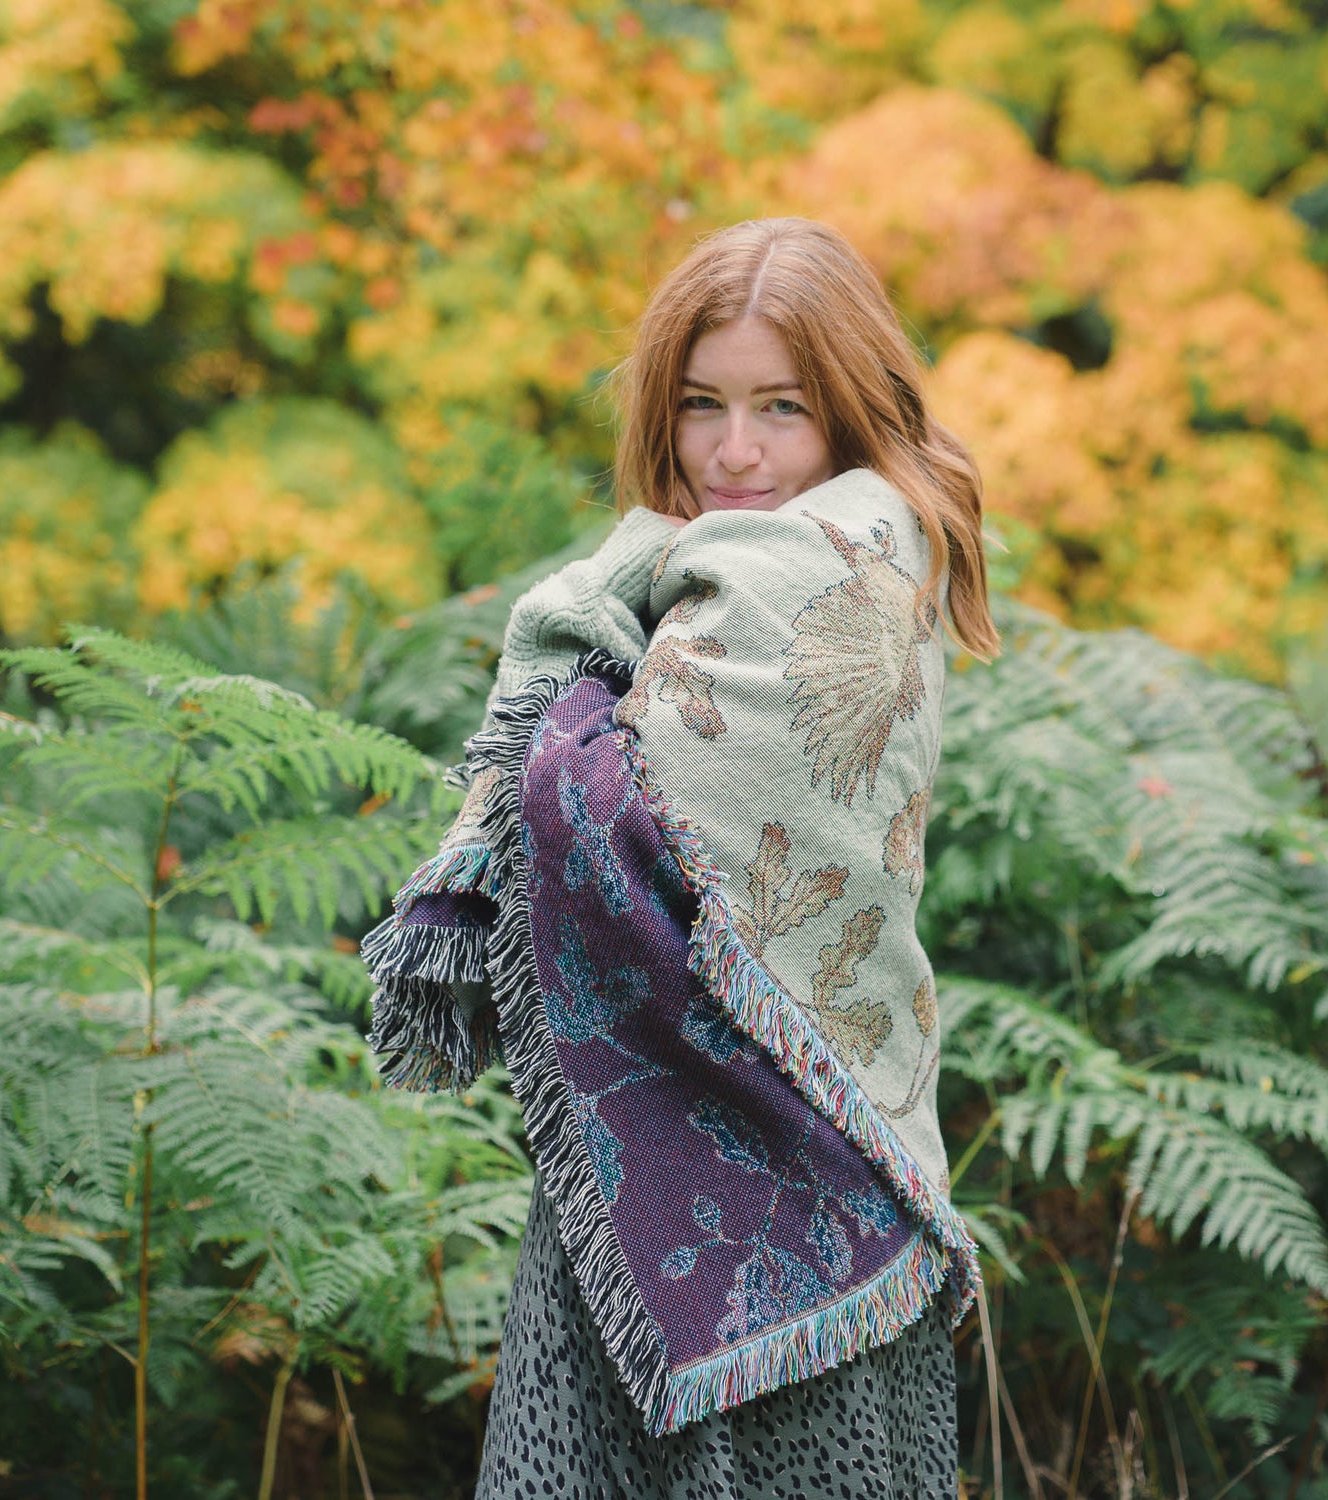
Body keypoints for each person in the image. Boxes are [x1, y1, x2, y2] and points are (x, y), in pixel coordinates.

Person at [364, 217, 999, 1499]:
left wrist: (567, 715)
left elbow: (588, 808)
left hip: (812, 1158)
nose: (739, 450)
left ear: (852, 412)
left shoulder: (836, 566)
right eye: (704, 404)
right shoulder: (667, 575)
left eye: (783, 406)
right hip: (642, 1149)